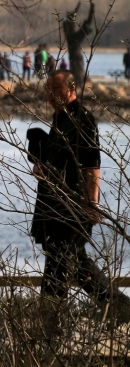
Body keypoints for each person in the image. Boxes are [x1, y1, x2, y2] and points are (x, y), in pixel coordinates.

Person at [29, 71, 130, 327]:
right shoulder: (58, 118)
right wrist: (41, 167)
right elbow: (58, 160)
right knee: (62, 261)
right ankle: (51, 323)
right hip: (53, 202)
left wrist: (91, 204)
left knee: (68, 260)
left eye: (55, 88)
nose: (49, 94)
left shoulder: (83, 119)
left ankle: (117, 307)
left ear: (71, 89)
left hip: (73, 205)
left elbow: (92, 165)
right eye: (47, 88)